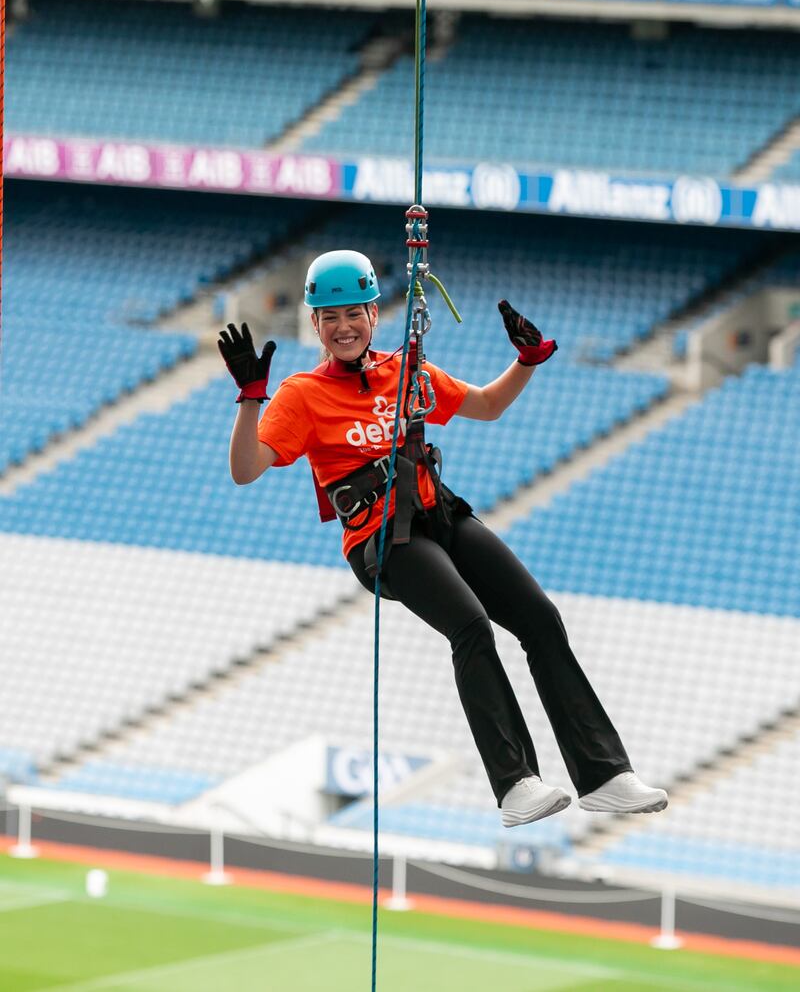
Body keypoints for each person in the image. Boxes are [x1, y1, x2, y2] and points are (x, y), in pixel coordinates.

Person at [219, 250, 668, 827]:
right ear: (315, 325)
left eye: (353, 312)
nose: (343, 326)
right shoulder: (302, 394)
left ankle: (604, 775)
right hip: (381, 539)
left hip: (438, 514)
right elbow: (246, 467)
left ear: (373, 314)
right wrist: (251, 398)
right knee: (471, 625)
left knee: (540, 618)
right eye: (329, 317)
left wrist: (527, 361)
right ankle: (515, 784)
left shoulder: (406, 370)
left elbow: (486, 404)